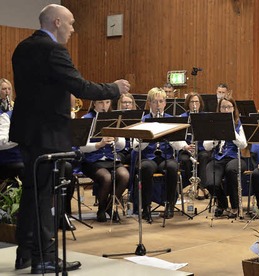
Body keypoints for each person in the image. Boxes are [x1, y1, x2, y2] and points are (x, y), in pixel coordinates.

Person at [10, 4, 130, 273]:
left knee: (32, 193)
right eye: (71, 23)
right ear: (56, 22)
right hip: (48, 132)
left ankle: (26, 253)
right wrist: (114, 88)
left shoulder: (22, 47)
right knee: (44, 197)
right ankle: (45, 257)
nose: (73, 29)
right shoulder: (53, 50)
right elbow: (80, 86)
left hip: (28, 132)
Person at [134, 87, 190, 221]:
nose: (158, 105)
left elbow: (177, 143)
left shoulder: (171, 120)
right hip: (149, 157)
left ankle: (169, 204)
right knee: (146, 168)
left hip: (166, 156)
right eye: (154, 102)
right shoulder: (144, 120)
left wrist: (185, 146)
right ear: (149, 103)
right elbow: (136, 146)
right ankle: (146, 207)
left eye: (161, 101)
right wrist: (147, 137)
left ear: (165, 103)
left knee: (172, 167)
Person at [79, 100, 129, 222]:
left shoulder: (114, 119)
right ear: (94, 104)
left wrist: (116, 139)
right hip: (91, 161)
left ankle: (109, 207)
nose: (104, 106)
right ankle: (101, 210)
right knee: (106, 178)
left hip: (111, 158)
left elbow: (121, 146)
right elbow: (81, 147)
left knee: (124, 175)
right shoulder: (86, 118)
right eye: (101, 103)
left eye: (107, 103)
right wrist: (99, 144)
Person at [203, 97, 247, 218]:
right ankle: (222, 204)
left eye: (229, 107)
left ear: (233, 109)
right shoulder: (213, 123)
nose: (226, 109)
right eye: (223, 107)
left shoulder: (239, 124)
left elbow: (243, 144)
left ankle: (235, 206)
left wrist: (231, 131)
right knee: (211, 183)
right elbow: (206, 146)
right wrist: (215, 138)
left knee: (231, 171)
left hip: (235, 158)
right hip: (218, 158)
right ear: (219, 109)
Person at [0, 78, 23, 183]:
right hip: (4, 154)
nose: (7, 92)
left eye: (9, 89)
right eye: (4, 89)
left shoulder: (15, 108)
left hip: (17, 153)